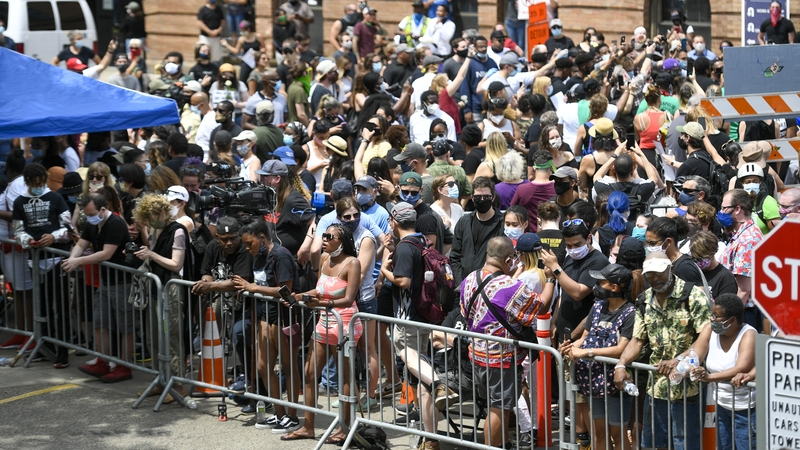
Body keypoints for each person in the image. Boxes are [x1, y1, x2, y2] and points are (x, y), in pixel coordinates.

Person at [380, 202, 458, 450]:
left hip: (408, 316)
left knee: (407, 355)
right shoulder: (423, 241)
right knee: (420, 373)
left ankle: (440, 385)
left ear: (393, 220)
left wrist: (384, 270)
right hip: (426, 315)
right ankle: (430, 438)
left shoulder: (405, 246)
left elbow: (403, 281)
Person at [614, 252, 711, 450]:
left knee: (686, 444)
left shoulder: (693, 295)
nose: (655, 279)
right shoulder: (644, 300)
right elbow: (637, 339)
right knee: (654, 444)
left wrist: (678, 360)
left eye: (659, 273)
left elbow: (705, 337)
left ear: (670, 269)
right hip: (656, 387)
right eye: (650, 275)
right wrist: (621, 364)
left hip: (687, 388)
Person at [460, 236, 550, 448]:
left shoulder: (469, 279)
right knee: (499, 409)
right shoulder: (509, 285)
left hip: (477, 355)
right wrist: (551, 278)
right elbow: (541, 306)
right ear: (509, 258)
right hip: (501, 359)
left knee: (496, 406)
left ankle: (504, 443)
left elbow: (465, 312)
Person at [281, 223, 362, 444]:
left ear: (342, 241)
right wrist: (298, 297)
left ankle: (345, 427)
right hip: (324, 323)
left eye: (329, 236)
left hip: (344, 324)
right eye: (323, 235)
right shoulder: (325, 260)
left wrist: (320, 304)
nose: (324, 239)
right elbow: (318, 290)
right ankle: (308, 426)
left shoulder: (352, 263)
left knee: (345, 377)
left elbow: (348, 299)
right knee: (309, 373)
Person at [231, 218, 302, 432]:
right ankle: (279, 413)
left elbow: (285, 290)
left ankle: (292, 415)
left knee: (289, 367)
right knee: (263, 367)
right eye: (244, 244)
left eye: (249, 243)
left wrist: (252, 288)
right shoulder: (259, 256)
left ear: (262, 237)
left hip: (284, 318)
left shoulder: (280, 255)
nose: (246, 248)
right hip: (264, 317)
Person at [564, 264, 636, 450]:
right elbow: (585, 336)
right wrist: (571, 347)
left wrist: (587, 353)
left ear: (615, 287)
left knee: (617, 434)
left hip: (616, 384)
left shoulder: (630, 313)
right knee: (598, 432)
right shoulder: (597, 307)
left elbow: (622, 348)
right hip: (593, 381)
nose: (597, 285)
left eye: (601, 282)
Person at [65, 193, 135, 383]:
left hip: (122, 282)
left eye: (92, 214)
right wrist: (72, 259)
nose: (89, 218)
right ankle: (102, 360)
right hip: (105, 282)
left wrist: (77, 261)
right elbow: (81, 244)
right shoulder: (92, 223)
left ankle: (124, 366)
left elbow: (106, 253)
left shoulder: (116, 223)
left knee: (125, 327)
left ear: (103, 209)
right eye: (87, 215)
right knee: (100, 322)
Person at [12, 164, 72, 367]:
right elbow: (18, 230)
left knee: (61, 307)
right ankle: (45, 347)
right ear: (27, 183)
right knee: (42, 307)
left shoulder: (56, 198)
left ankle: (63, 351)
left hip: (56, 259)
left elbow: (69, 228)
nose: (38, 187)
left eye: (41, 183)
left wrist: (53, 236)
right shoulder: (20, 202)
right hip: (34, 260)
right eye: (34, 184)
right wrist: (27, 239)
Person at [131, 194, 190, 400]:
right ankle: (161, 379)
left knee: (171, 336)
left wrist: (151, 255)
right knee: (154, 335)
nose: (151, 220)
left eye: (153, 215)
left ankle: (177, 384)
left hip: (170, 290)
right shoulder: (157, 228)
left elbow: (176, 264)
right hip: (156, 288)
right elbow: (151, 250)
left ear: (164, 211)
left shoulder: (179, 231)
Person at [689, 293, 757, 450]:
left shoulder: (748, 334)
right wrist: (686, 366)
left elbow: (741, 368)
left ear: (732, 320)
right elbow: (696, 354)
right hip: (721, 405)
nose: (712, 319)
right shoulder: (709, 329)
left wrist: (709, 377)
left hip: (745, 410)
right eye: (712, 314)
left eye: (716, 316)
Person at [718, 189, 764, 332]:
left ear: (737, 209)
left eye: (724, 208)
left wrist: (729, 319)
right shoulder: (741, 234)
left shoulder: (747, 240)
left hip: (743, 313)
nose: (721, 212)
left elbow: (744, 289)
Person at [450, 177, 505, 285]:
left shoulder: (502, 223)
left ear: (493, 198)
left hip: (491, 286)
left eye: (486, 196)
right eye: (478, 197)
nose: (482, 200)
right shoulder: (464, 222)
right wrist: (460, 284)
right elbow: (455, 256)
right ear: (472, 198)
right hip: (464, 286)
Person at [736, 163, 781, 235]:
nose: (752, 184)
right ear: (742, 183)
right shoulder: (738, 201)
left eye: (755, 182)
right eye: (748, 182)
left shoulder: (768, 202)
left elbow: (777, 234)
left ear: (760, 182)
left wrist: (756, 239)